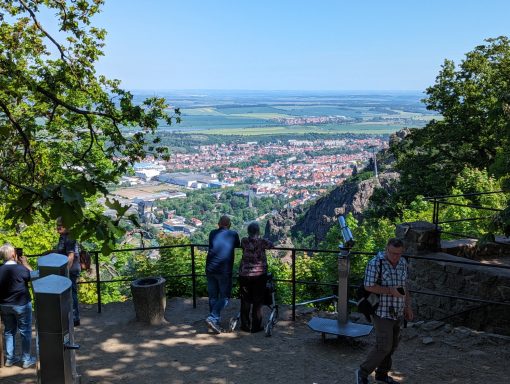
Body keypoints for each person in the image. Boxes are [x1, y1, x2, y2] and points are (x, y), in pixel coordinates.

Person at [356, 238, 413, 384]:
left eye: (398, 254)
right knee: (384, 345)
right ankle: (362, 373)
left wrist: (407, 306)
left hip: (398, 311)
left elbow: (405, 286)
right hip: (381, 311)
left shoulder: (403, 263)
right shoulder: (375, 263)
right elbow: (368, 286)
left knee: (392, 345)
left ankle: (382, 374)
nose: (395, 257)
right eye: (392, 253)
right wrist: (390, 291)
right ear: (386, 249)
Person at [0, 244, 36, 368]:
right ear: (13, 255)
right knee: (25, 331)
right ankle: (26, 360)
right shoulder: (21, 269)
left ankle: (10, 359)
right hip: (21, 304)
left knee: (9, 331)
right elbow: (34, 275)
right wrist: (25, 263)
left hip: (4, 304)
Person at [205, 215, 240, 334]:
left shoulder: (212, 233)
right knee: (225, 297)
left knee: (213, 296)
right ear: (229, 225)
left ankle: (214, 321)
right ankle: (213, 318)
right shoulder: (233, 234)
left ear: (219, 224)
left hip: (210, 268)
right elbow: (237, 244)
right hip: (224, 270)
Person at [239, 221, 273, 333]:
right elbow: (271, 245)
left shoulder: (244, 241)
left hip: (244, 274)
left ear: (248, 231)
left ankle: (245, 325)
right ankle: (256, 327)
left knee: (245, 300)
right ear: (258, 231)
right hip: (259, 275)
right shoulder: (262, 242)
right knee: (258, 301)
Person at [55, 217, 81, 326]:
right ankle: (70, 317)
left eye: (61, 225)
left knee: (71, 292)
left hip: (70, 268)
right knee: (69, 293)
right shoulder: (63, 237)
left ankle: (74, 318)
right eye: (57, 225)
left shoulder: (69, 238)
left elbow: (70, 256)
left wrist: (66, 272)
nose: (58, 227)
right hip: (68, 268)